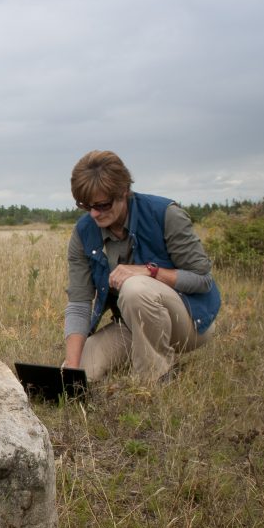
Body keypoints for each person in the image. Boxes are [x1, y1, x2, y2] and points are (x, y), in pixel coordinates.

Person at [63, 150, 221, 382]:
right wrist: (71, 369)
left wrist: (150, 271)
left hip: (189, 323)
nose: (94, 213)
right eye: (85, 206)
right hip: (132, 325)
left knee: (135, 287)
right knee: (83, 369)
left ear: (124, 192)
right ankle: (138, 357)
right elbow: (79, 303)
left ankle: (154, 379)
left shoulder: (165, 214)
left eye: (103, 205)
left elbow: (202, 280)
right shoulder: (83, 231)